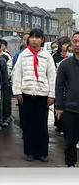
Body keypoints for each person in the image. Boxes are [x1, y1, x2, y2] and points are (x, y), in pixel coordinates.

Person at [12, 28, 56, 162]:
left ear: (42, 40)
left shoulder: (47, 56)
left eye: (38, 37)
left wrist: (52, 95)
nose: (34, 40)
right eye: (32, 37)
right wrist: (18, 92)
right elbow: (17, 75)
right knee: (28, 125)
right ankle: (30, 152)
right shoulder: (23, 55)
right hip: (26, 94)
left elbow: (52, 76)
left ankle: (42, 152)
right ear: (28, 39)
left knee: (41, 125)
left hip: (43, 95)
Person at [54, 31, 79, 167]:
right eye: (75, 41)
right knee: (70, 142)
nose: (77, 44)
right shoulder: (65, 64)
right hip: (70, 109)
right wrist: (58, 106)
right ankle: (70, 166)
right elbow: (59, 86)